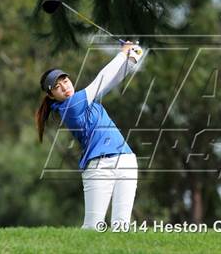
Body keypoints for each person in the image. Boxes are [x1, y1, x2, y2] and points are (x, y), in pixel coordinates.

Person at [35, 42, 143, 230]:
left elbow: (113, 79)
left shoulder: (86, 99)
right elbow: (102, 79)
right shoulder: (70, 106)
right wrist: (122, 54)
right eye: (57, 87)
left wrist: (131, 59)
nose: (64, 87)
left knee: (122, 226)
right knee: (93, 227)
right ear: (52, 96)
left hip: (125, 159)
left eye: (65, 81)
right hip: (99, 167)